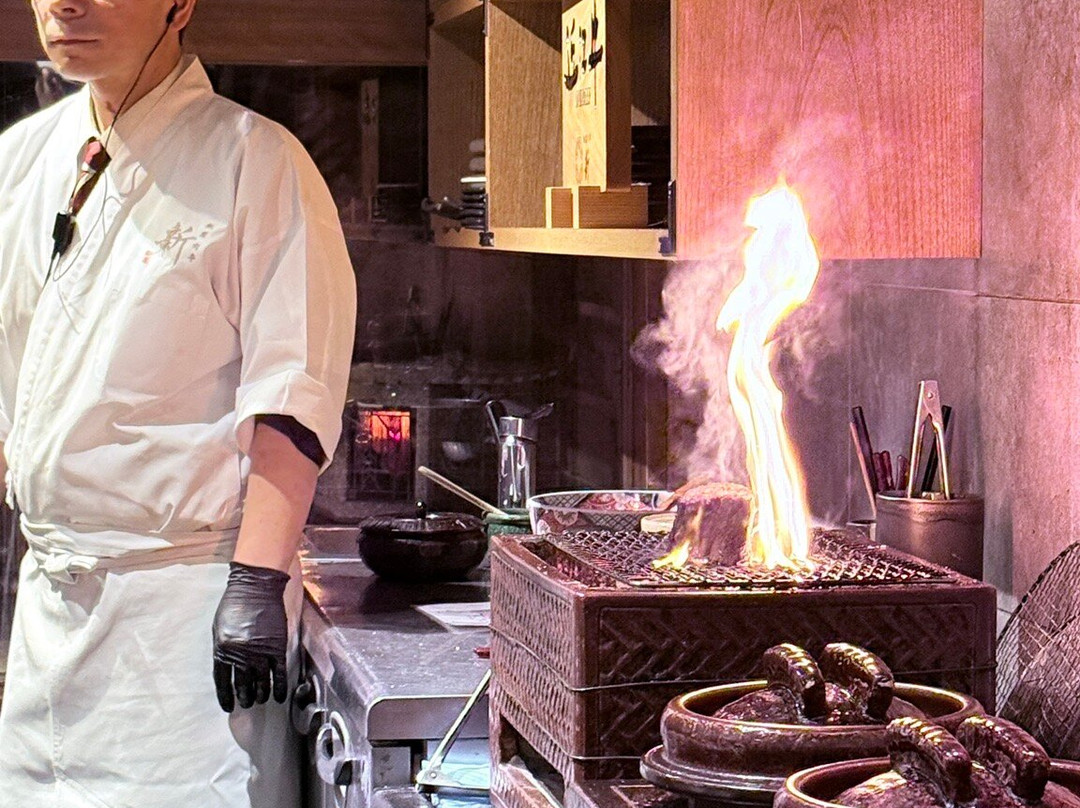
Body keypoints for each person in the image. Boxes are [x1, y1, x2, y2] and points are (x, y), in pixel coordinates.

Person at [0, 0, 357, 805]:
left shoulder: (255, 159)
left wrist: (256, 584)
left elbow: (292, 389)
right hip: (49, 618)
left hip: (184, 625)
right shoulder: (17, 162)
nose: (66, 2)